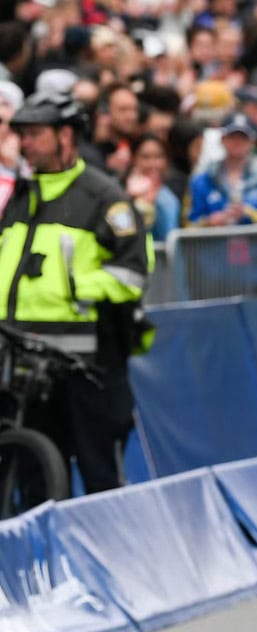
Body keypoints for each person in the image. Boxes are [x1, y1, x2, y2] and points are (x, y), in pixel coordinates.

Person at [0, 91, 150, 493]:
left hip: (86, 363)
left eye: (35, 134)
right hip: (25, 361)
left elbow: (134, 272)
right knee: (33, 476)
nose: (25, 144)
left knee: (98, 470)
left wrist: (74, 291)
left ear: (66, 136)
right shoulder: (21, 195)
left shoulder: (103, 197)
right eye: (23, 135)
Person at [184, 112, 257, 228]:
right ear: (222, 139)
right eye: (232, 136)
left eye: (243, 137)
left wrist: (249, 214)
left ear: (252, 141)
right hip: (214, 244)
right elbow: (188, 223)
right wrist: (208, 222)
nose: (237, 142)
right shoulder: (201, 176)